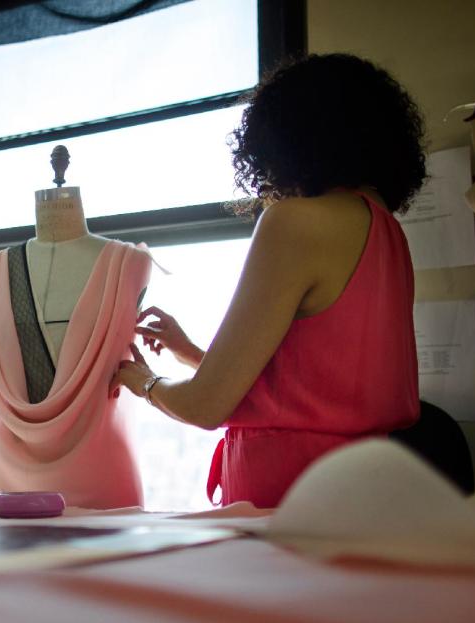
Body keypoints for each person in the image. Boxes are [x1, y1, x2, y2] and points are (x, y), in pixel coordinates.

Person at [111, 53, 426, 508]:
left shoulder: (296, 222)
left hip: (291, 501)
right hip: (363, 495)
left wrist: (143, 381)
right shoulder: (384, 229)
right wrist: (193, 354)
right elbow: (314, 394)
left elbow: (205, 406)